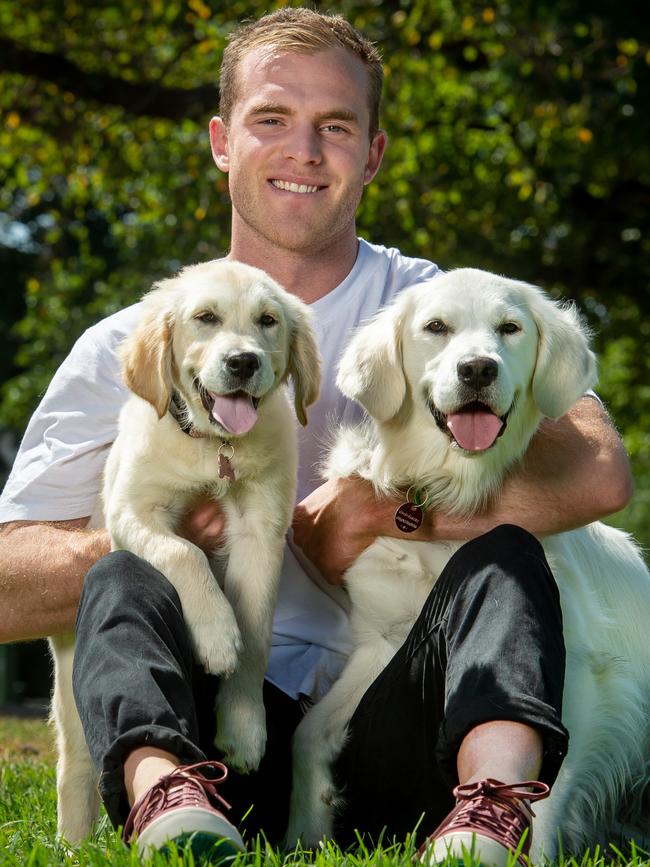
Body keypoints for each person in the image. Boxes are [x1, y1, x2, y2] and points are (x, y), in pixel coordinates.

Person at [0, 8, 632, 865]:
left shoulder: (437, 311)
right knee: (117, 568)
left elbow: (599, 473)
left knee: (508, 555)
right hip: (207, 720)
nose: (303, 150)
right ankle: (168, 803)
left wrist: (385, 512)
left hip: (395, 722)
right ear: (223, 141)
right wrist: (167, 537)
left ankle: (490, 812)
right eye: (272, 119)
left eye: (335, 126)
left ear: (371, 155)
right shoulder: (131, 341)